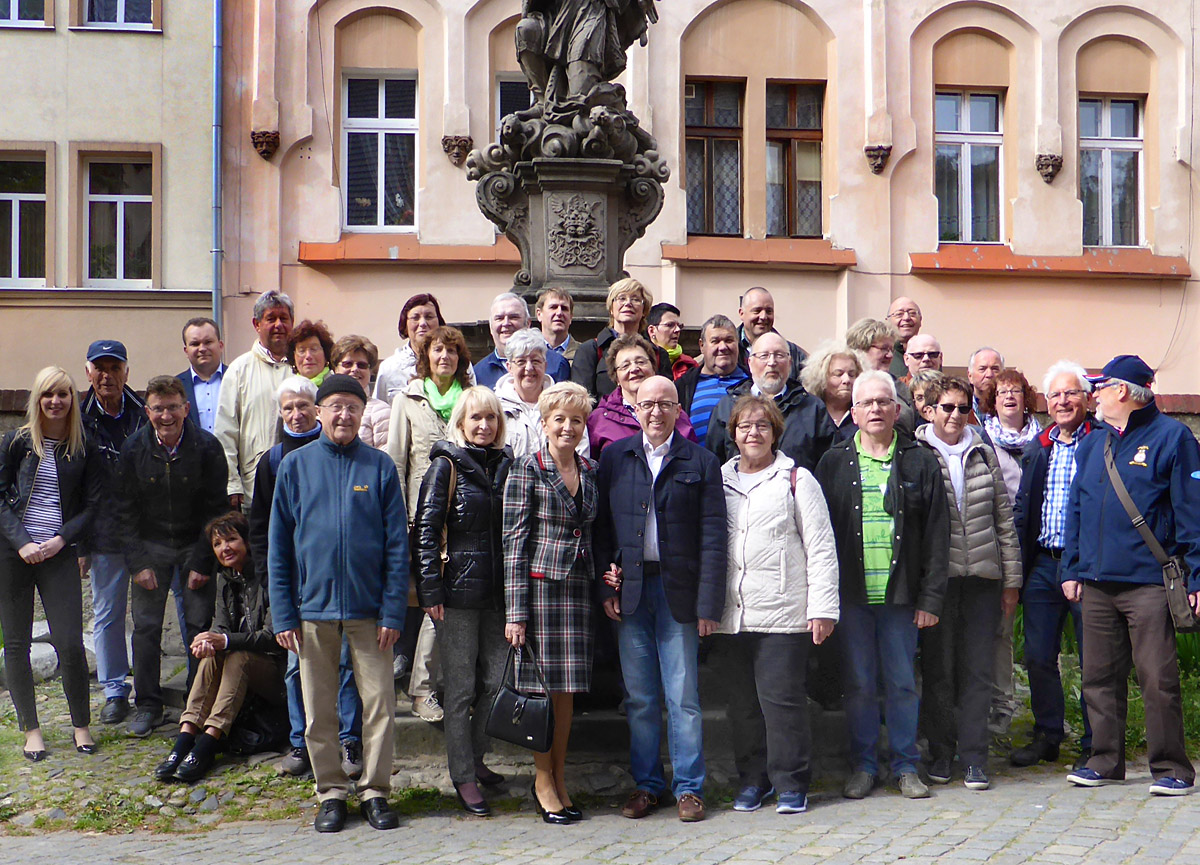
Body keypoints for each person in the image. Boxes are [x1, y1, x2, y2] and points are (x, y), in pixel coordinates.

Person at [269, 374, 408, 833]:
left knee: (379, 706)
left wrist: (393, 610)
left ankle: (375, 791)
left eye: (352, 407)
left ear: (362, 412)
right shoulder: (295, 466)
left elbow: (396, 547)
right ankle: (330, 791)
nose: (344, 415)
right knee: (318, 710)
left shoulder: (380, 468)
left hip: (371, 613)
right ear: (319, 412)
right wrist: (284, 612)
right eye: (335, 407)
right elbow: (279, 547)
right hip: (312, 611)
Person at [1062, 355, 1200, 796]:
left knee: (1157, 679)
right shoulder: (1091, 443)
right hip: (1097, 582)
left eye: (1100, 387)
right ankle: (1104, 760)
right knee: (1098, 677)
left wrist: (1197, 577)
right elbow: (1077, 509)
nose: (1094, 394)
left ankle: (1171, 768)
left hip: (1148, 583)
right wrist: (1072, 566)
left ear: (1122, 391)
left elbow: (1192, 513)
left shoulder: (1173, 437)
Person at [596, 375, 727, 823]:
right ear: (635, 410)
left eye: (664, 404)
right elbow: (603, 531)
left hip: (680, 593)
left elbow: (714, 538)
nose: (655, 412)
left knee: (683, 696)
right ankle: (648, 785)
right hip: (630, 591)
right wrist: (604, 582)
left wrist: (708, 605)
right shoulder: (615, 457)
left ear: (678, 411)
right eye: (647, 404)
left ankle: (689, 789)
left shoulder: (701, 461)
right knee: (640, 698)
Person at [815, 370, 948, 801]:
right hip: (852, 597)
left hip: (902, 597)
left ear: (897, 409)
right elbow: (820, 536)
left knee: (903, 684)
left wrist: (930, 598)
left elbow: (937, 534)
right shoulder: (833, 462)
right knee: (859, 685)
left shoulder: (920, 460)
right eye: (866, 403)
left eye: (883, 402)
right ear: (853, 412)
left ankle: (906, 766)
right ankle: (864, 766)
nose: (875, 409)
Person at [714, 395, 838, 816]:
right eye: (745, 426)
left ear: (775, 433)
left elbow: (821, 547)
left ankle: (791, 783)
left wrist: (823, 608)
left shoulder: (796, 479)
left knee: (780, 702)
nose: (753, 433)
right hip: (732, 613)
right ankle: (753, 782)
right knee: (742, 706)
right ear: (733, 434)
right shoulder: (719, 480)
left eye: (762, 426)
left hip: (784, 611)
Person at [249, 376, 364, 780]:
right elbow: (264, 530)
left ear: (316, 409)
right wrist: (270, 582)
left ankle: (349, 739)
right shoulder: (276, 461)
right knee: (297, 668)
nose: (296, 414)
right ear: (280, 414)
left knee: (348, 664)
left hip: (344, 587)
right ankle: (302, 742)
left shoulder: (354, 454)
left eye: (302, 405)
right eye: (288, 408)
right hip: (298, 589)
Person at [914, 376, 1021, 791]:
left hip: (982, 577)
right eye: (947, 408)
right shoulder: (918, 451)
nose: (955, 416)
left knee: (977, 670)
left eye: (962, 408)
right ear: (930, 410)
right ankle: (941, 753)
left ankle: (976, 758)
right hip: (937, 581)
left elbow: (1003, 518)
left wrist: (1011, 581)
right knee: (939, 671)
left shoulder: (981, 450)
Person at [414, 387, 513, 816]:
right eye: (476, 418)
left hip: (500, 595)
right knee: (460, 689)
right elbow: (424, 530)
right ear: (460, 422)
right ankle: (463, 775)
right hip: (456, 595)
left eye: (490, 418)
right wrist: (430, 590)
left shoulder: (508, 466)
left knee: (496, 682)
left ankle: (476, 755)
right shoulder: (445, 466)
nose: (484, 426)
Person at [502, 382, 598, 825]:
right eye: (559, 418)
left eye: (576, 420)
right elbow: (514, 544)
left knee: (565, 696)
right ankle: (542, 782)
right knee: (541, 693)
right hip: (539, 594)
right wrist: (516, 614)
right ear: (544, 424)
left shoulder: (590, 469)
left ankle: (560, 777)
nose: (568, 426)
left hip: (577, 592)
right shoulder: (527, 469)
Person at [0, 367, 102, 760]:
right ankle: (31, 731)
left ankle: (81, 726)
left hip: (58, 553)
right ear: (37, 399)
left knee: (70, 643)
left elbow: (93, 505)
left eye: (63, 394)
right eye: (48, 395)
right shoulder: (17, 443)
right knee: (16, 644)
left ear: (72, 400)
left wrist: (63, 539)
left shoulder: (83, 447)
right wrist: (22, 541)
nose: (55, 402)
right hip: (14, 554)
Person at [117, 376, 229, 737]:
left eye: (173, 407)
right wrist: (138, 563)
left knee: (198, 627)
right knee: (146, 629)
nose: (166, 416)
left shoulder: (207, 448)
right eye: (158, 408)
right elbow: (124, 511)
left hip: (193, 544)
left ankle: (197, 704)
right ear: (148, 411)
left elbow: (215, 510)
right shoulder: (134, 449)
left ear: (186, 408)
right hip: (150, 549)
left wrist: (202, 562)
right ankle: (148, 704)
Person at [1010, 361, 1099, 770]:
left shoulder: (1102, 441)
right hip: (1044, 565)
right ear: (1046, 402)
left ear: (1087, 398)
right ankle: (1048, 734)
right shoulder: (1039, 446)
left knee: (1094, 657)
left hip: (1089, 565)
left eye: (1071, 393)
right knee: (1039, 655)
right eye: (1056, 395)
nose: (1063, 401)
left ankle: (1097, 742)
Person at [153, 512, 285, 783]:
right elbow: (222, 627)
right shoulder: (225, 578)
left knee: (238, 657)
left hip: (275, 671)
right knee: (211, 658)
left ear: (247, 542)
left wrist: (223, 641)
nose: (224, 548)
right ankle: (186, 738)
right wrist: (208, 641)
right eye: (217, 544)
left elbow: (272, 635)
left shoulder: (268, 575)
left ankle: (208, 743)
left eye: (231, 540)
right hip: (240, 670)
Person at [388, 325, 473, 723]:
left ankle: (427, 686)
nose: (445, 358)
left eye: (453, 352)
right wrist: (397, 518)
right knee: (425, 603)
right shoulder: (407, 399)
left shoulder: (471, 401)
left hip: (461, 519)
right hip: (418, 518)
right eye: (439, 350)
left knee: (441, 606)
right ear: (426, 356)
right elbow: (397, 462)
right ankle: (420, 688)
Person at [79, 339, 147, 725]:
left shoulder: (143, 411)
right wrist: (80, 544)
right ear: (88, 372)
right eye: (99, 368)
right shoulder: (78, 416)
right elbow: (73, 485)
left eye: (114, 368)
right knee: (107, 613)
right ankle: (115, 691)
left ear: (126, 372)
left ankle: (150, 688)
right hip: (103, 531)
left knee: (148, 613)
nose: (107, 376)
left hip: (146, 529)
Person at [979, 368, 1043, 735]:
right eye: (1002, 391)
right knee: (1000, 630)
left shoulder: (1044, 439)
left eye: (1016, 391)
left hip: (1036, 545)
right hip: (998, 544)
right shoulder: (981, 438)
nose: (1009, 397)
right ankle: (1001, 707)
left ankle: (1046, 715)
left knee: (1038, 636)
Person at [707, 332, 835, 472]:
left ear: (790, 363)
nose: (772, 362)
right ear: (750, 362)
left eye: (779, 355)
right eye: (764, 356)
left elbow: (829, 466)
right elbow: (713, 463)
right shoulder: (727, 407)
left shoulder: (813, 408)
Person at [215, 289, 295, 509]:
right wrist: (232, 483)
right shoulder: (239, 370)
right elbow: (225, 431)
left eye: (284, 318)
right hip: (256, 488)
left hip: (302, 486)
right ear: (256, 324)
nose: (278, 324)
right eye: (271, 318)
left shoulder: (303, 368)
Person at [587, 334, 697, 457]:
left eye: (641, 362)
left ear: (653, 369)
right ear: (616, 377)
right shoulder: (598, 420)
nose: (634, 368)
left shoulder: (676, 414)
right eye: (625, 366)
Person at [571, 278, 671, 399]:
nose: (628, 303)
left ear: (644, 310)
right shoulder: (589, 350)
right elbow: (582, 400)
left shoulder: (658, 354)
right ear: (611, 309)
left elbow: (666, 396)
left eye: (635, 299)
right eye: (621, 298)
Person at [496, 328, 590, 458]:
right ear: (509, 367)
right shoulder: (496, 408)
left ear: (545, 366)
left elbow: (581, 452)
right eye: (521, 361)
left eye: (535, 361)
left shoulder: (564, 403)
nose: (529, 368)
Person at [675, 314, 747, 446]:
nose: (723, 347)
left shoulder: (753, 384)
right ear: (702, 346)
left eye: (729, 340)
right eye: (715, 341)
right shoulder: (682, 387)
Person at [475, 293, 569, 389]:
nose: (506, 323)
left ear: (528, 323)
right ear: (491, 327)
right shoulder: (478, 373)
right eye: (499, 318)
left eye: (513, 317)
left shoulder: (557, 364)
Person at [374, 293, 450, 402]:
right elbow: (379, 411)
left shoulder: (455, 362)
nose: (423, 323)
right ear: (405, 326)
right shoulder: (389, 368)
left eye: (429, 317)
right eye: (415, 318)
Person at [799, 341, 870, 443]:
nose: (846, 380)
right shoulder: (809, 414)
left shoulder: (864, 414)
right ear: (821, 378)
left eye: (852, 374)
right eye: (838, 374)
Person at [331, 335, 390, 448]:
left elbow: (385, 458)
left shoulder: (381, 411)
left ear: (370, 371)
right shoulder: (324, 407)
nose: (355, 369)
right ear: (335, 369)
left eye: (362, 365)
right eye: (348, 364)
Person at [735, 287, 806, 375]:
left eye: (768, 311)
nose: (763, 316)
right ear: (741, 313)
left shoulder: (793, 353)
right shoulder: (728, 351)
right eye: (757, 311)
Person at [177, 317, 226, 434]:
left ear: (220, 345)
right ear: (186, 351)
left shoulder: (238, 379)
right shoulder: (176, 387)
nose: (202, 349)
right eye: (195, 344)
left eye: (208, 342)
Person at [647, 302, 697, 380]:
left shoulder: (689, 364)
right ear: (652, 330)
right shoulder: (644, 361)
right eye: (670, 325)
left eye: (679, 326)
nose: (677, 330)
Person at [536, 287, 580, 362]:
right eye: (553, 307)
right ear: (539, 314)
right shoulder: (528, 352)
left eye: (564, 308)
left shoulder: (583, 353)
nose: (559, 313)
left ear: (571, 317)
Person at [287, 320, 334, 386]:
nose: (308, 356)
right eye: (302, 351)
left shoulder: (337, 386)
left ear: (325, 355)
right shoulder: (288, 389)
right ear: (293, 357)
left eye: (314, 349)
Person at [886, 296, 923, 378]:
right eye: (899, 314)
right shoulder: (882, 353)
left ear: (920, 320)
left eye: (912, 313)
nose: (906, 318)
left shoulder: (929, 354)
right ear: (888, 321)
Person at [967, 347, 1005, 422]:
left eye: (995, 369)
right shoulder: (960, 408)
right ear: (970, 376)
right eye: (982, 369)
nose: (989, 374)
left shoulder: (1012, 407)